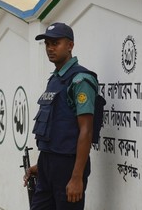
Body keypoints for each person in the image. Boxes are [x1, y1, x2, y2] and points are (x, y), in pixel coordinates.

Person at [23, 22, 98, 210]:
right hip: (48, 163)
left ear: (70, 45)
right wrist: (42, 167)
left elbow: (86, 131)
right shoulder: (55, 79)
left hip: (69, 166)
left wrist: (76, 177)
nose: (50, 48)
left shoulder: (80, 80)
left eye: (55, 43)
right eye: (47, 44)